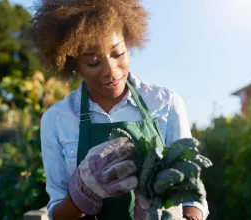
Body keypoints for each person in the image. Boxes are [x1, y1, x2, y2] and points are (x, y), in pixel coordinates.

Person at [28, 0, 209, 219]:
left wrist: (186, 215)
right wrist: (82, 194)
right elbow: (57, 213)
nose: (111, 72)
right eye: (94, 62)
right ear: (73, 62)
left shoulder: (165, 103)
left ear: (128, 45)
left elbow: (191, 192)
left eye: (118, 54)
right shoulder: (56, 119)